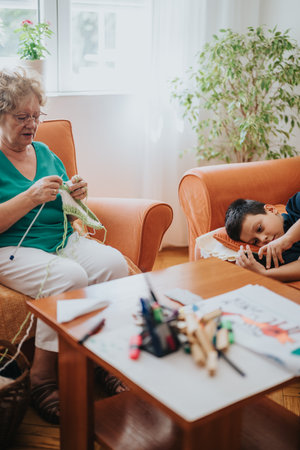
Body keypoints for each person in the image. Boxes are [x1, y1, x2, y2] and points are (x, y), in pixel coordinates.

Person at [0, 67, 129, 424]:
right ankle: (42, 380)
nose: (31, 124)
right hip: (10, 248)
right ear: (1, 113)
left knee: (114, 264)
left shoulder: (44, 152)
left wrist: (76, 195)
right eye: (21, 116)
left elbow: (68, 210)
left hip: (60, 239)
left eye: (36, 116)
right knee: (69, 277)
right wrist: (28, 197)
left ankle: (99, 359)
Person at [225, 195, 300, 282]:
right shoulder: (282, 255)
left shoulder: (295, 205)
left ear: (271, 210)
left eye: (259, 229)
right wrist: (263, 274)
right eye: (255, 241)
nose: (263, 239)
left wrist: (288, 238)